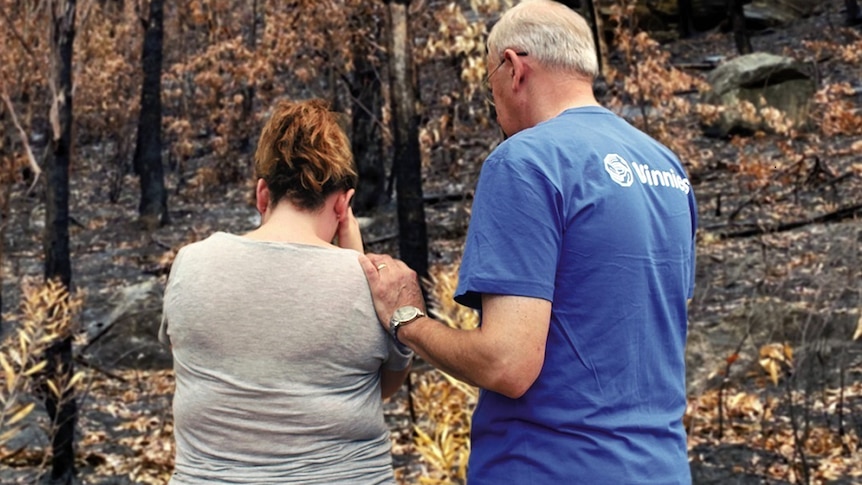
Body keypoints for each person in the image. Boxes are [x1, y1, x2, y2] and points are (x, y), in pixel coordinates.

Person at [358, 1, 698, 483]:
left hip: (550, 467)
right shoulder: (666, 166)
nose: (492, 100)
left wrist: (407, 319)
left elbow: (507, 364)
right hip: (661, 466)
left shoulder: (525, 161)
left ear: (514, 67)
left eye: (489, 82)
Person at [159, 99, 412, 484]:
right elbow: (383, 389)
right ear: (343, 205)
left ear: (262, 195)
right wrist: (355, 260)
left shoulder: (190, 263)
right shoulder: (374, 285)